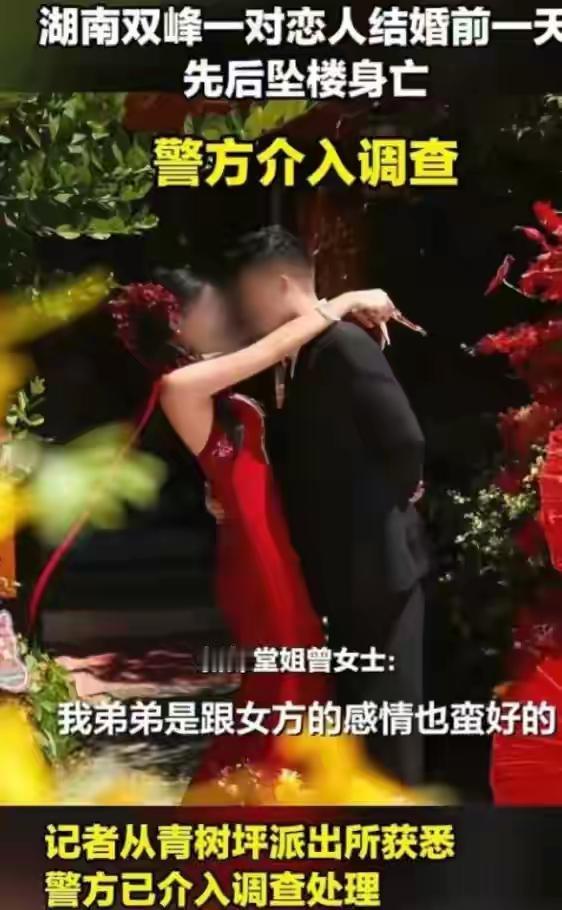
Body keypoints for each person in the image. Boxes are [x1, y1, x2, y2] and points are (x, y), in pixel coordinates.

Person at [106, 269, 399, 786]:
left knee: (291, 677)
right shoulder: (179, 385)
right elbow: (271, 348)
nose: (222, 312)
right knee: (286, 679)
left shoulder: (206, 374)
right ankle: (259, 806)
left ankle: (269, 801)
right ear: (180, 323)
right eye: (210, 306)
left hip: (266, 541)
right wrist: (349, 297)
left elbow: (275, 344)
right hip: (252, 553)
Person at [225, 226, 429, 785]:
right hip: (338, 565)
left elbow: (405, 439)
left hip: (379, 561)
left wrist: (387, 506)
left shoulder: (344, 345)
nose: (248, 309)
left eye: (250, 293)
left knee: (389, 714)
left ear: (280, 283)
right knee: (359, 712)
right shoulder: (297, 354)